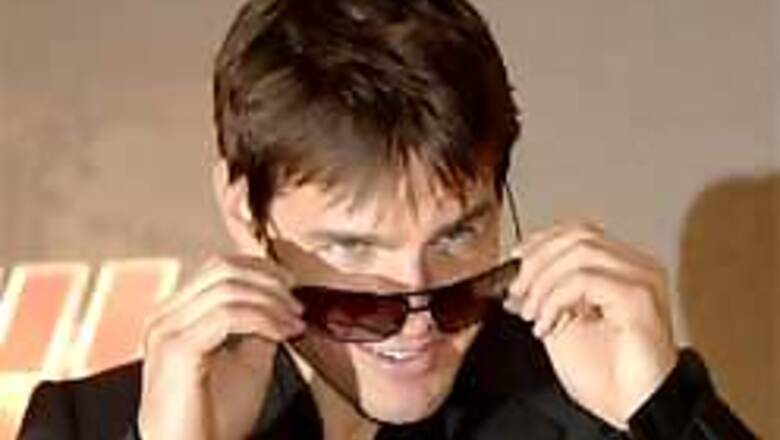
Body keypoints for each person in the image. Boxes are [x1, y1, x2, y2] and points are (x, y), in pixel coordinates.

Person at [19, 0, 755, 438]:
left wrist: (666, 415)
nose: (417, 315)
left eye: (457, 236)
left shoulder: (605, 409)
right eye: (353, 249)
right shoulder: (87, 425)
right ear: (245, 210)